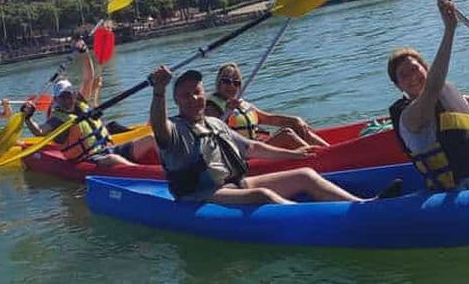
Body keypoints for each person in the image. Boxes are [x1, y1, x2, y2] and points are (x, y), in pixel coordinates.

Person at [149, 67, 402, 205]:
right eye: (185, 95)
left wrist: (293, 154)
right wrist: (159, 90)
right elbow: (159, 126)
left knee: (305, 175)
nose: (194, 98)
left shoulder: (215, 122)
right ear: (176, 101)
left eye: (197, 92)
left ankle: (364, 205)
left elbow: (252, 149)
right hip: (202, 194)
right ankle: (325, 221)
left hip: (237, 183)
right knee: (264, 196)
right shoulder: (174, 129)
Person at [388, 0, 469, 191]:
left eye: (415, 69)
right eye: (403, 75)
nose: (412, 77)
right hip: (462, 190)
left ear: (426, 69)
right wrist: (449, 30)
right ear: (398, 86)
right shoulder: (409, 118)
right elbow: (432, 88)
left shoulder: (448, 98)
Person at [22, 39, 156, 166]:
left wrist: (84, 52)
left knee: (151, 138)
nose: (67, 100)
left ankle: (169, 164)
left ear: (73, 95)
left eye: (69, 95)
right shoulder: (57, 120)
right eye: (63, 97)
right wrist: (28, 118)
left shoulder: (79, 101)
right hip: (89, 159)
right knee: (112, 159)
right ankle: (144, 173)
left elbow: (89, 77)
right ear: (56, 99)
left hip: (109, 148)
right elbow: (39, 131)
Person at [205, 63, 329, 149]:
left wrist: (295, 120)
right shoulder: (212, 107)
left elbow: (270, 119)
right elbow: (214, 133)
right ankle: (320, 157)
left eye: (236, 82)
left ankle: (329, 150)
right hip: (243, 154)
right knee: (287, 135)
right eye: (227, 81)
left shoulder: (243, 104)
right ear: (219, 82)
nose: (231, 86)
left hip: (259, 146)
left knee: (296, 126)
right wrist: (228, 111)